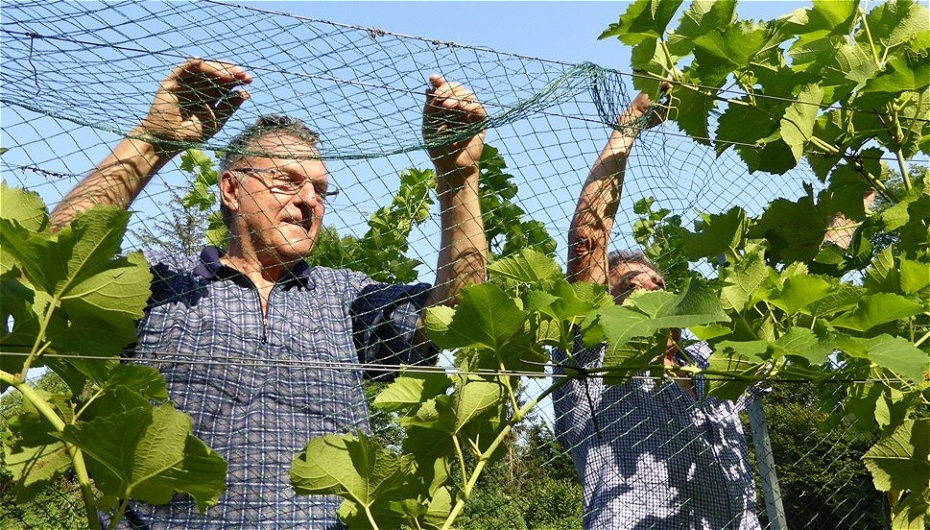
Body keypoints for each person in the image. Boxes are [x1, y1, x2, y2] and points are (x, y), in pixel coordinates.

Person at [50, 59, 489, 529]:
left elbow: (457, 315)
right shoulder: (161, 284)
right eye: (287, 181)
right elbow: (56, 258)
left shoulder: (343, 297)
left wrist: (458, 178)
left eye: (321, 190)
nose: (309, 200)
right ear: (231, 190)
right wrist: (153, 140)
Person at [551, 87, 762, 530]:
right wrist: (630, 124)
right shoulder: (594, 357)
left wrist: (845, 216)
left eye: (658, 282)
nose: (649, 287)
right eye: (629, 284)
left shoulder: (707, 362)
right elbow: (587, 237)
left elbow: (784, 332)